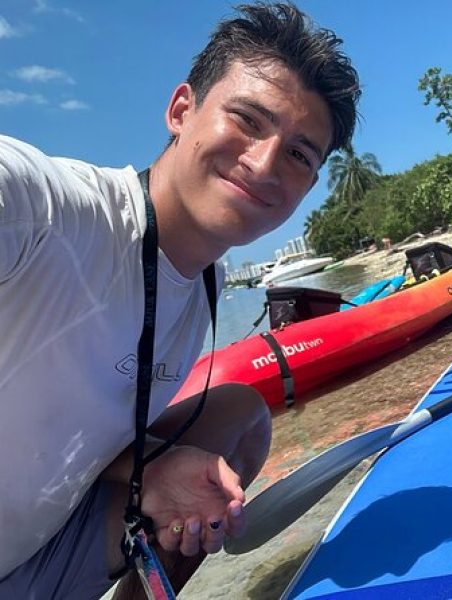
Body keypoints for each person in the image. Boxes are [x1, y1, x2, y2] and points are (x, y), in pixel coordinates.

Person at [0, 3, 360, 599]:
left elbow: (80, 428)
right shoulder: (56, 214)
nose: (264, 162)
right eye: (247, 118)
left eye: (299, 154)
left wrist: (151, 473)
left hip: (39, 558)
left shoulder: (205, 286)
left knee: (240, 415)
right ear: (181, 110)